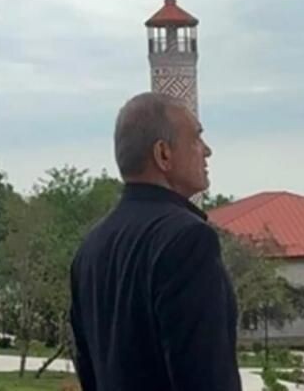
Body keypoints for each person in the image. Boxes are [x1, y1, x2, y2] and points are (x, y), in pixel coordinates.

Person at [70, 92, 241, 391]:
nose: (207, 150)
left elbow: (89, 371)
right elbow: (206, 375)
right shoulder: (188, 240)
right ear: (163, 154)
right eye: (196, 138)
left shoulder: (91, 249)